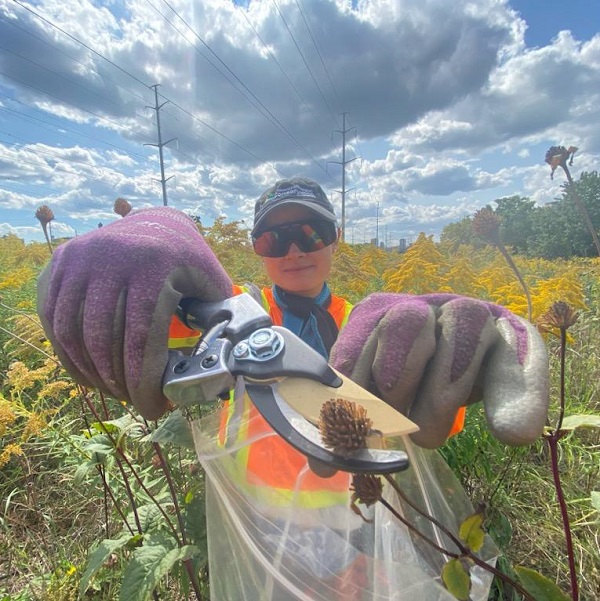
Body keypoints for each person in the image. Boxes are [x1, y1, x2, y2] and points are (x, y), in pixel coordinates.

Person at [37, 177, 550, 600]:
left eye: (311, 231)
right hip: (263, 528)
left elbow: (423, 420)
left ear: (334, 237)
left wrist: (454, 362)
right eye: (272, 239)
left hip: (365, 520)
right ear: (255, 250)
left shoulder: (369, 324)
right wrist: (147, 230)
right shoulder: (231, 314)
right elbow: (147, 332)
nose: (294, 249)